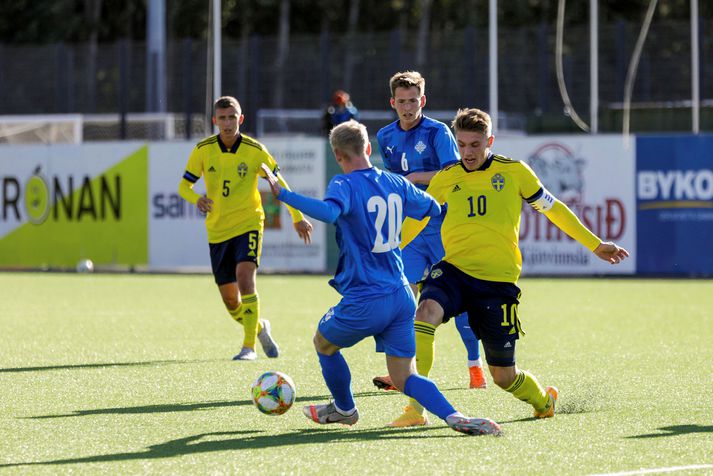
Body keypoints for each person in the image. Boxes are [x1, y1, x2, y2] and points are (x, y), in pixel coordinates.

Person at [389, 107, 630, 426]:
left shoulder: (515, 172)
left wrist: (595, 244)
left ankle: (543, 401)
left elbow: (554, 209)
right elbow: (417, 219)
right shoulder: (447, 177)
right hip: (454, 271)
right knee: (424, 314)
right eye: (461, 144)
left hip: (496, 283)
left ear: (489, 140)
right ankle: (415, 410)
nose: (467, 152)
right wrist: (388, 253)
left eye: (474, 144)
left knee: (503, 376)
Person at [262, 120, 501, 436]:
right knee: (404, 376)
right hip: (402, 295)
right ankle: (455, 416)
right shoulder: (395, 182)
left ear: (337, 154)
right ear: (368, 148)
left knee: (323, 343)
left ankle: (345, 409)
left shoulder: (343, 185)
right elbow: (432, 208)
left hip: (367, 297)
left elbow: (330, 214)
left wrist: (285, 195)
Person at [373, 71, 485, 426]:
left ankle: (474, 365)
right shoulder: (385, 135)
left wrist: (413, 180)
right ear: (393, 103)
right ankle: (401, 370)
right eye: (401, 101)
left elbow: (453, 172)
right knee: (403, 297)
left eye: (413, 100)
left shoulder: (438, 132)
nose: (407, 107)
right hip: (410, 230)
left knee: (457, 295)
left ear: (423, 100)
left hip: (441, 225)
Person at [178, 96, 313, 361]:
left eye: (232, 117)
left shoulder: (255, 150)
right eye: (222, 118)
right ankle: (260, 327)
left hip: (249, 222)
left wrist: (297, 216)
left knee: (245, 277)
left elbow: (279, 184)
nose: (227, 123)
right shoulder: (203, 150)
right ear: (214, 121)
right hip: (218, 230)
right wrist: (198, 199)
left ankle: (248, 347)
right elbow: (184, 186)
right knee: (230, 302)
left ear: (241, 119)